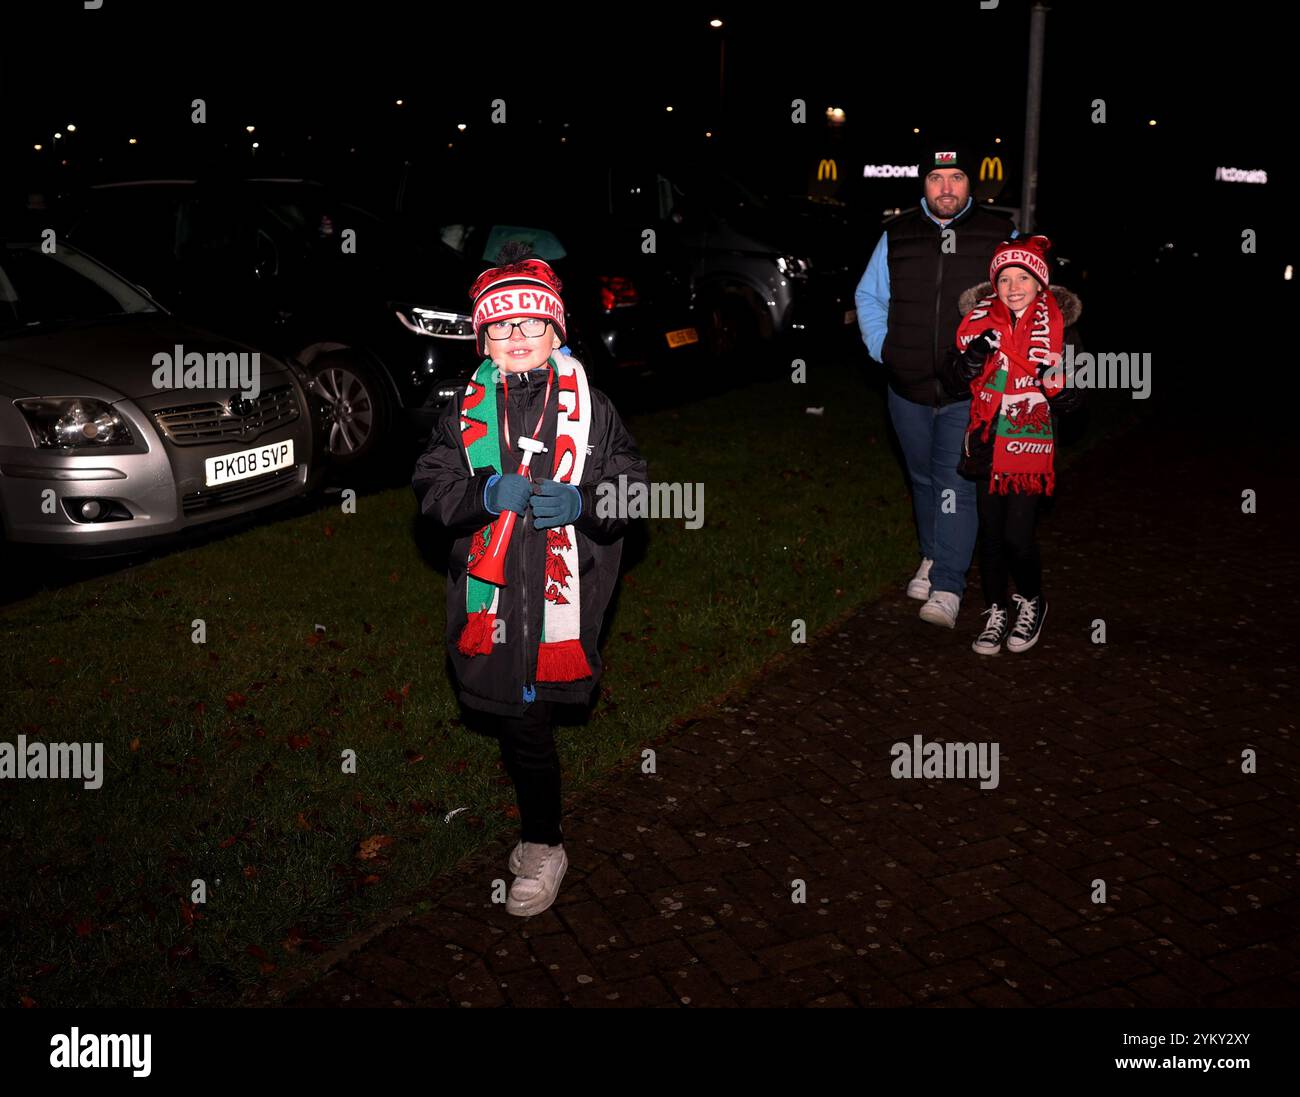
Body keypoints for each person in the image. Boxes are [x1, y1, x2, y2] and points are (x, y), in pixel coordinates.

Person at [411, 245, 648, 916]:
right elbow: (431, 485)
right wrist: (484, 493)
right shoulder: (462, 408)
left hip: (561, 601)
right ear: (483, 336)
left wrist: (587, 503)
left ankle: (544, 841)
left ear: (555, 331)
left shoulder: (592, 407)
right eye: (500, 327)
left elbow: (633, 486)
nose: (515, 338)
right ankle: (542, 832)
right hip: (489, 599)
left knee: (528, 720)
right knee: (518, 720)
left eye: (530, 325)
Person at [855, 143, 1016, 629]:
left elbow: (1021, 302)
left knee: (955, 482)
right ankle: (930, 554)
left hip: (967, 390)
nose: (946, 189)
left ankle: (948, 584)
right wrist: (884, 349)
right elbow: (869, 296)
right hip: (905, 387)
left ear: (972, 184)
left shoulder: (998, 233)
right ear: (923, 184)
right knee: (922, 479)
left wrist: (998, 365)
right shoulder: (896, 234)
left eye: (957, 178)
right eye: (936, 179)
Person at [937, 235, 1083, 655]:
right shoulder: (977, 325)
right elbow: (950, 378)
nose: (1014, 286)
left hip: (1028, 447)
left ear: (1040, 284)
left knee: (1018, 536)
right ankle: (996, 608)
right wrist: (969, 361)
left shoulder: (1061, 334)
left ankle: (1033, 602)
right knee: (991, 535)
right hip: (985, 441)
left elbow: (1078, 403)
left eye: (1023, 277)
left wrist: (1055, 387)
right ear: (994, 286)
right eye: (1004, 279)